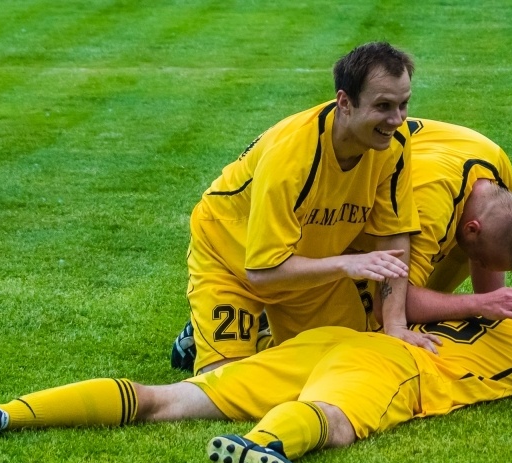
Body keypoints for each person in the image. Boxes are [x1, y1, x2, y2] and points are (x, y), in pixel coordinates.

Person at [0, 295, 512, 463]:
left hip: (330, 339)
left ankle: (5, 412)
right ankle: (262, 445)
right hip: (385, 366)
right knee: (336, 420)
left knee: (166, 397)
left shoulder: (458, 305)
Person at [171, 41, 440, 375]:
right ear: (345, 102)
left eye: (404, 104)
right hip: (232, 259)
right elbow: (261, 272)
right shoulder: (290, 157)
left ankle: (264, 332)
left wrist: (396, 324)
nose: (397, 119)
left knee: (343, 364)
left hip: (308, 266)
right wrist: (346, 264)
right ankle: (211, 337)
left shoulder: (394, 144)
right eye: (384, 106)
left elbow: (394, 235)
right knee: (226, 385)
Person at [351, 117, 512, 327]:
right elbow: (390, 307)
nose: (484, 266)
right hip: (335, 205)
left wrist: (496, 301)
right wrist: (479, 304)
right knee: (359, 326)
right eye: (482, 261)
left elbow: (490, 292)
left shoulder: (498, 166)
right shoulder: (428, 215)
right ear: (472, 228)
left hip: (406, 165)